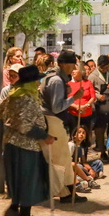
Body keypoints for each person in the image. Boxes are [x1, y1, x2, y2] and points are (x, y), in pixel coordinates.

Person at [0, 65, 54, 216]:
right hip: (25, 146)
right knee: (28, 180)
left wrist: (11, 121)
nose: (39, 83)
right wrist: (44, 135)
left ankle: (15, 208)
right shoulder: (27, 98)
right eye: (37, 80)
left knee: (16, 179)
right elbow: (25, 126)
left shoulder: (13, 95)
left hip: (10, 142)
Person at [40, 50, 88, 203]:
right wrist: (74, 97)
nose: (74, 67)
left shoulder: (53, 77)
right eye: (73, 64)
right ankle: (65, 193)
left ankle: (67, 191)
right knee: (60, 158)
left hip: (50, 120)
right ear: (65, 64)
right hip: (52, 120)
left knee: (62, 158)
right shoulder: (56, 80)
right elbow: (56, 106)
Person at [88, 54, 109, 162]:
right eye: (103, 68)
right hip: (99, 105)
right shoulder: (92, 76)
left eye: (106, 67)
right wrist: (97, 96)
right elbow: (89, 89)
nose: (105, 69)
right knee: (100, 129)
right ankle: (101, 150)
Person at [68, 64, 96, 134]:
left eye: (75, 69)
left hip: (87, 113)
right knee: (74, 134)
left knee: (86, 134)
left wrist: (85, 106)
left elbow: (93, 97)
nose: (73, 71)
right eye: (72, 70)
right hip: (73, 114)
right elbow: (67, 100)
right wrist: (77, 107)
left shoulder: (88, 82)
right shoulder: (68, 84)